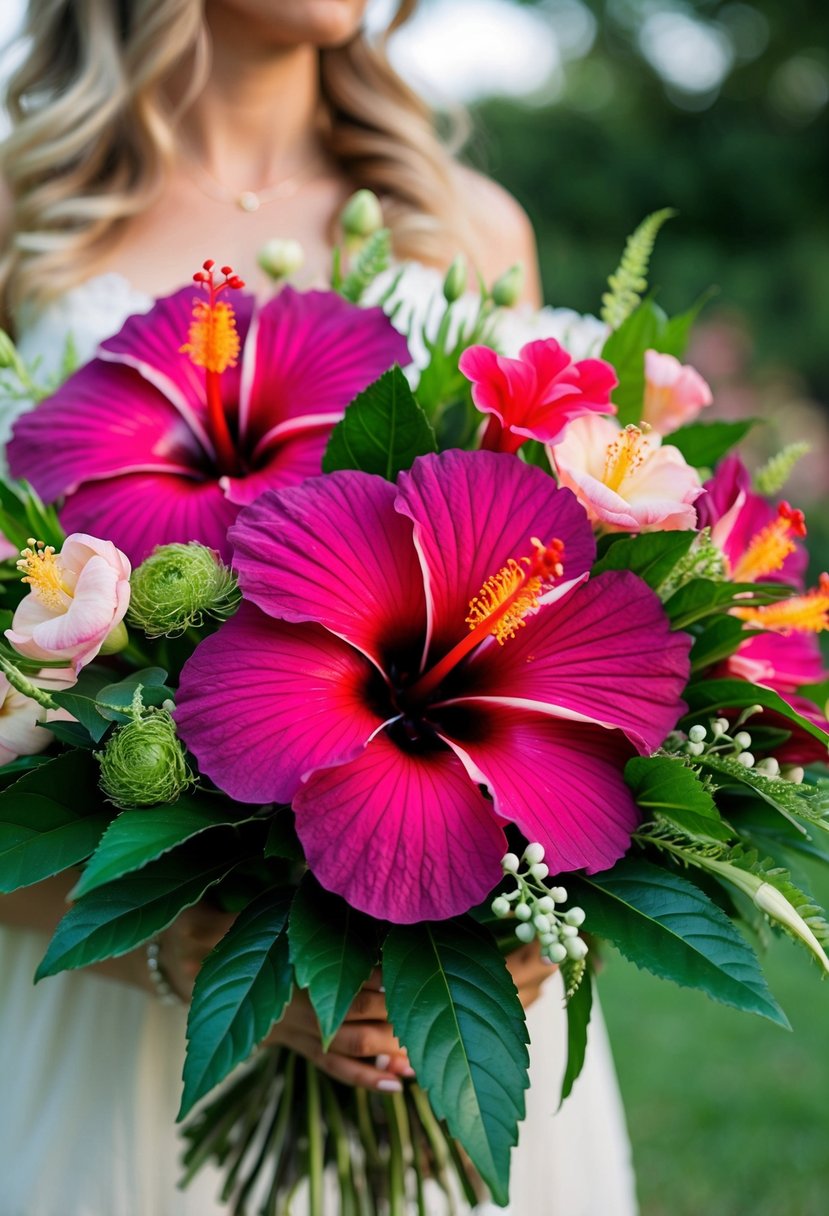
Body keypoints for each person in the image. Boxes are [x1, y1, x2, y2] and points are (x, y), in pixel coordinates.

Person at [0, 2, 638, 1213]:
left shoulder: (463, 220)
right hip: (128, 1046)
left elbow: (556, 607)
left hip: (447, 1026)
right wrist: (178, 946)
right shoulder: (20, 217)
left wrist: (537, 928)